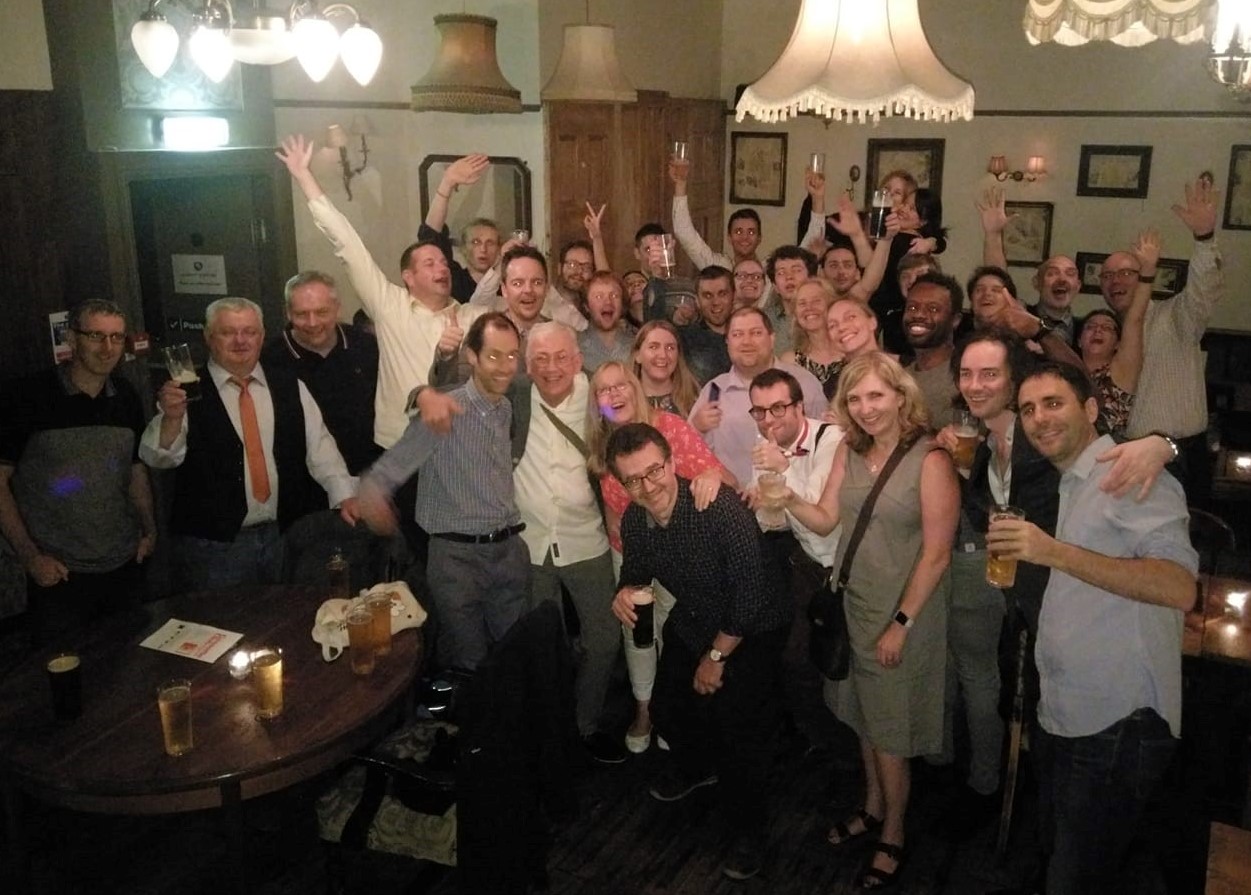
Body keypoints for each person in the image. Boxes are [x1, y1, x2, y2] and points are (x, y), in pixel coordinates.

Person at [986, 361, 1197, 895]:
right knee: (1062, 857)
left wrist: (1052, 552)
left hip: (1117, 720)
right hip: (1066, 711)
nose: (1038, 419)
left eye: (1053, 403)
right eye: (1029, 409)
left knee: (1078, 877)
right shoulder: (1071, 482)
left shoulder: (1128, 475)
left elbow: (1178, 588)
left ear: (1090, 409)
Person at [785, 353, 959, 891]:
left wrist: (901, 623)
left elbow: (937, 554)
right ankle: (873, 805)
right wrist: (784, 493)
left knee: (890, 730)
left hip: (903, 610)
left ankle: (896, 832)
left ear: (901, 396)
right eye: (855, 399)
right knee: (862, 714)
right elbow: (827, 517)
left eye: (876, 396)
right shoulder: (851, 451)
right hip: (855, 601)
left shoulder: (931, 459)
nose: (866, 408)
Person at [609, 422, 791, 881]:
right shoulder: (635, 519)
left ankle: (750, 831)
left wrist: (715, 658)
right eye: (634, 479)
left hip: (753, 625)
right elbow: (635, 570)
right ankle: (699, 766)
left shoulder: (718, 508)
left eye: (654, 471)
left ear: (672, 463)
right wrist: (623, 591)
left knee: (736, 727)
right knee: (669, 702)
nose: (648, 487)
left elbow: (751, 594)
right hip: (696, 617)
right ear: (621, 483)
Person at [276, 134, 483, 451]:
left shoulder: (472, 316)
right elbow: (346, 242)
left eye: (444, 262)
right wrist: (305, 176)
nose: (441, 268)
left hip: (455, 446)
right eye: (429, 263)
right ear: (408, 277)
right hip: (398, 445)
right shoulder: (389, 304)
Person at [140, 297, 359, 591]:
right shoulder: (185, 391)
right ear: (208, 337)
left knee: (282, 626)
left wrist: (345, 495)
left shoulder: (289, 384)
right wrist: (171, 419)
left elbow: (321, 449)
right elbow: (159, 459)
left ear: (262, 336)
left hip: (281, 537)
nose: (240, 340)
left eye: (249, 332)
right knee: (222, 631)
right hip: (211, 548)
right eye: (228, 332)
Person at [358, 312, 528, 671]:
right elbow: (385, 473)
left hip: (508, 552)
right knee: (469, 664)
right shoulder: (443, 411)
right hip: (457, 559)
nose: (504, 366)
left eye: (512, 355)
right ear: (472, 356)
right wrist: (373, 499)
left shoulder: (507, 407)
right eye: (494, 355)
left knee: (512, 659)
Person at [587, 361, 733, 753]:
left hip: (676, 552)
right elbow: (614, 505)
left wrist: (711, 476)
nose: (615, 395)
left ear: (636, 389)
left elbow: (721, 478)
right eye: (604, 390)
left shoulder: (668, 427)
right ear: (596, 404)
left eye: (621, 386)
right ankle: (644, 712)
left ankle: (672, 710)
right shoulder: (602, 443)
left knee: (673, 633)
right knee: (637, 636)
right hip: (631, 553)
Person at [0, 300, 155, 643]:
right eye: (96, 336)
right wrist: (30, 557)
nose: (108, 347)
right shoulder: (26, 396)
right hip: (59, 573)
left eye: (117, 337)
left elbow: (135, 470)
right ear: (71, 338)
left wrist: (149, 529)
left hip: (123, 564)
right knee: (66, 676)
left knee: (128, 669)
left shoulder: (126, 395)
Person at [1102, 177, 1223, 502]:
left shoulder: (1176, 316)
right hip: (1124, 452)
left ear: (1144, 275)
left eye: (1127, 272)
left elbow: (1204, 290)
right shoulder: (1102, 334)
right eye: (1108, 275)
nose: (1116, 280)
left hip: (1179, 454)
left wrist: (1204, 238)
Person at [688, 306, 828, 486]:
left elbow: (825, 448)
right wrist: (696, 428)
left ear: (772, 338)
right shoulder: (714, 390)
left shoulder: (804, 383)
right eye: (737, 334)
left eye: (755, 333)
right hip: (732, 505)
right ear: (727, 342)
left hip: (795, 502)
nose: (746, 342)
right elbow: (690, 452)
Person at [261, 270, 382, 474]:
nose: (312, 322)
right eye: (301, 314)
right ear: (288, 313)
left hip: (369, 476)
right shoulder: (270, 358)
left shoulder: (366, 345)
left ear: (337, 309)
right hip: (302, 482)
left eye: (322, 312)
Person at [977, 186, 1081, 345]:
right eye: (1052, 273)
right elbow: (998, 278)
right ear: (1036, 283)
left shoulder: (1088, 328)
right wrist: (993, 235)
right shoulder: (1019, 315)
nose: (1062, 279)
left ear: (1078, 286)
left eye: (1070, 274)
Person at [1078, 231, 1155, 438]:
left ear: (1118, 344)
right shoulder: (1066, 371)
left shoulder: (1121, 373)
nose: (1098, 330)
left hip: (1109, 460)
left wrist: (1147, 272)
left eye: (1107, 327)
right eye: (1091, 326)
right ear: (1078, 339)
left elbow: (1135, 319)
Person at [418, 153, 497, 301]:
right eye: (476, 242)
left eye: (490, 243)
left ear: (499, 248)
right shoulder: (452, 278)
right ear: (464, 248)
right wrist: (447, 183)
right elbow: (430, 235)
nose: (483, 249)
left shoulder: (507, 285)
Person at [902, 272, 964, 430]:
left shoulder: (967, 375)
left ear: (955, 320)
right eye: (912, 307)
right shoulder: (898, 377)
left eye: (933, 309)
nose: (919, 314)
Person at [781, 278, 843, 398]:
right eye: (802, 303)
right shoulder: (790, 362)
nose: (809, 308)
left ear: (831, 305)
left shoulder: (853, 355)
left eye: (816, 301)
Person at [632, 320, 701, 417]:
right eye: (653, 347)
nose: (663, 355)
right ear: (637, 355)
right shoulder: (623, 401)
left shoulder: (697, 401)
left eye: (670, 348)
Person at [679, 265, 734, 384]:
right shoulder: (684, 339)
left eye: (722, 294)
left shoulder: (750, 335)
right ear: (697, 301)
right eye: (707, 296)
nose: (716, 302)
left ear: (733, 296)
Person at [762, 246, 818, 355]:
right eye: (781, 273)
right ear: (775, 286)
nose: (789, 277)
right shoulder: (764, 320)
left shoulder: (826, 315)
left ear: (811, 278)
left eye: (796, 270)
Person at [577, 271, 637, 373]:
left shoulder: (637, 345)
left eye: (614, 296)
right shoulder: (574, 347)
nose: (608, 302)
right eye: (599, 297)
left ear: (622, 304)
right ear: (586, 306)